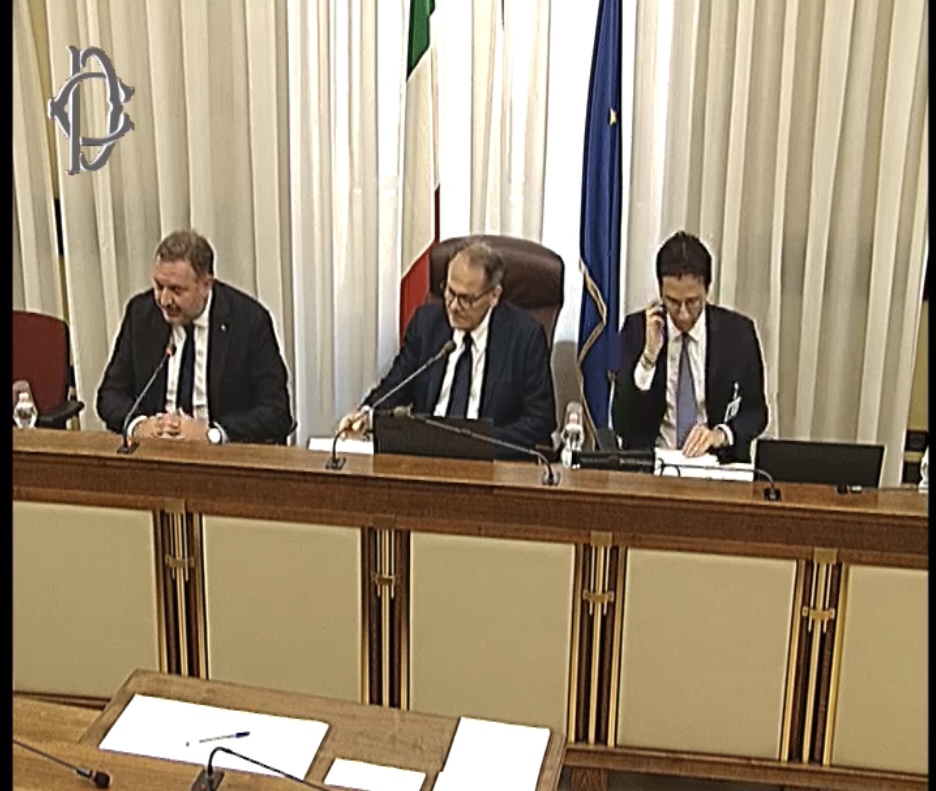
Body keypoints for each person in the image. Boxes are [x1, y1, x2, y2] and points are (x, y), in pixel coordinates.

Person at [339, 237, 557, 456]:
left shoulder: (524, 337)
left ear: (494, 295)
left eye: (466, 299)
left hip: (488, 463)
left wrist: (477, 443)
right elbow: (396, 386)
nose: (453, 306)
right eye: (450, 292)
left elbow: (540, 420)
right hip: (425, 458)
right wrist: (367, 415)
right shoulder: (426, 325)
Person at [97, 229, 294, 445]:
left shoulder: (249, 322)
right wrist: (140, 425)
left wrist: (212, 434)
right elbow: (110, 395)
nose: (164, 300)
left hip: (221, 456)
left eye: (176, 290)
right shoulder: (141, 314)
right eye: (159, 286)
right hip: (155, 450)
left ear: (206, 285)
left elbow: (276, 412)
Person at [611, 230, 768, 462]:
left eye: (693, 302)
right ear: (660, 292)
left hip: (716, 464)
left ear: (707, 290)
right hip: (654, 466)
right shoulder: (637, 330)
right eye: (673, 302)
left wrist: (720, 435)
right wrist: (648, 359)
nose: (683, 314)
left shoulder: (738, 334)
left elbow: (756, 413)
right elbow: (622, 423)